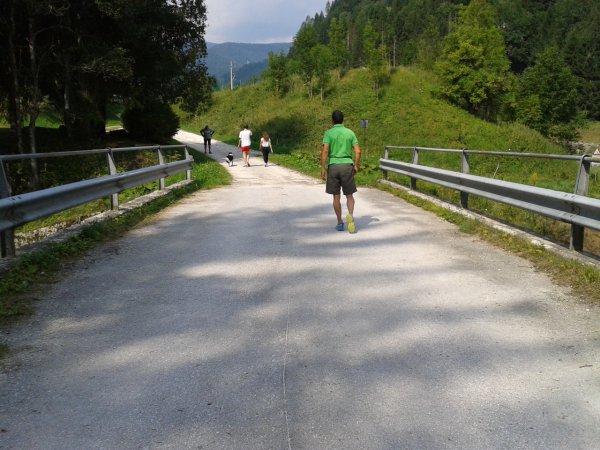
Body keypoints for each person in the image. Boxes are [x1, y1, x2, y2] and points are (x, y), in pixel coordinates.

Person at [321, 110, 361, 233]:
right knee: (349, 195)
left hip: (333, 166)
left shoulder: (329, 133)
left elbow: (325, 151)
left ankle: (339, 222)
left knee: (336, 197)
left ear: (332, 120)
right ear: (343, 120)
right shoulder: (350, 133)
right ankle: (351, 216)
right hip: (347, 166)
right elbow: (358, 151)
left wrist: (323, 168)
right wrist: (355, 165)